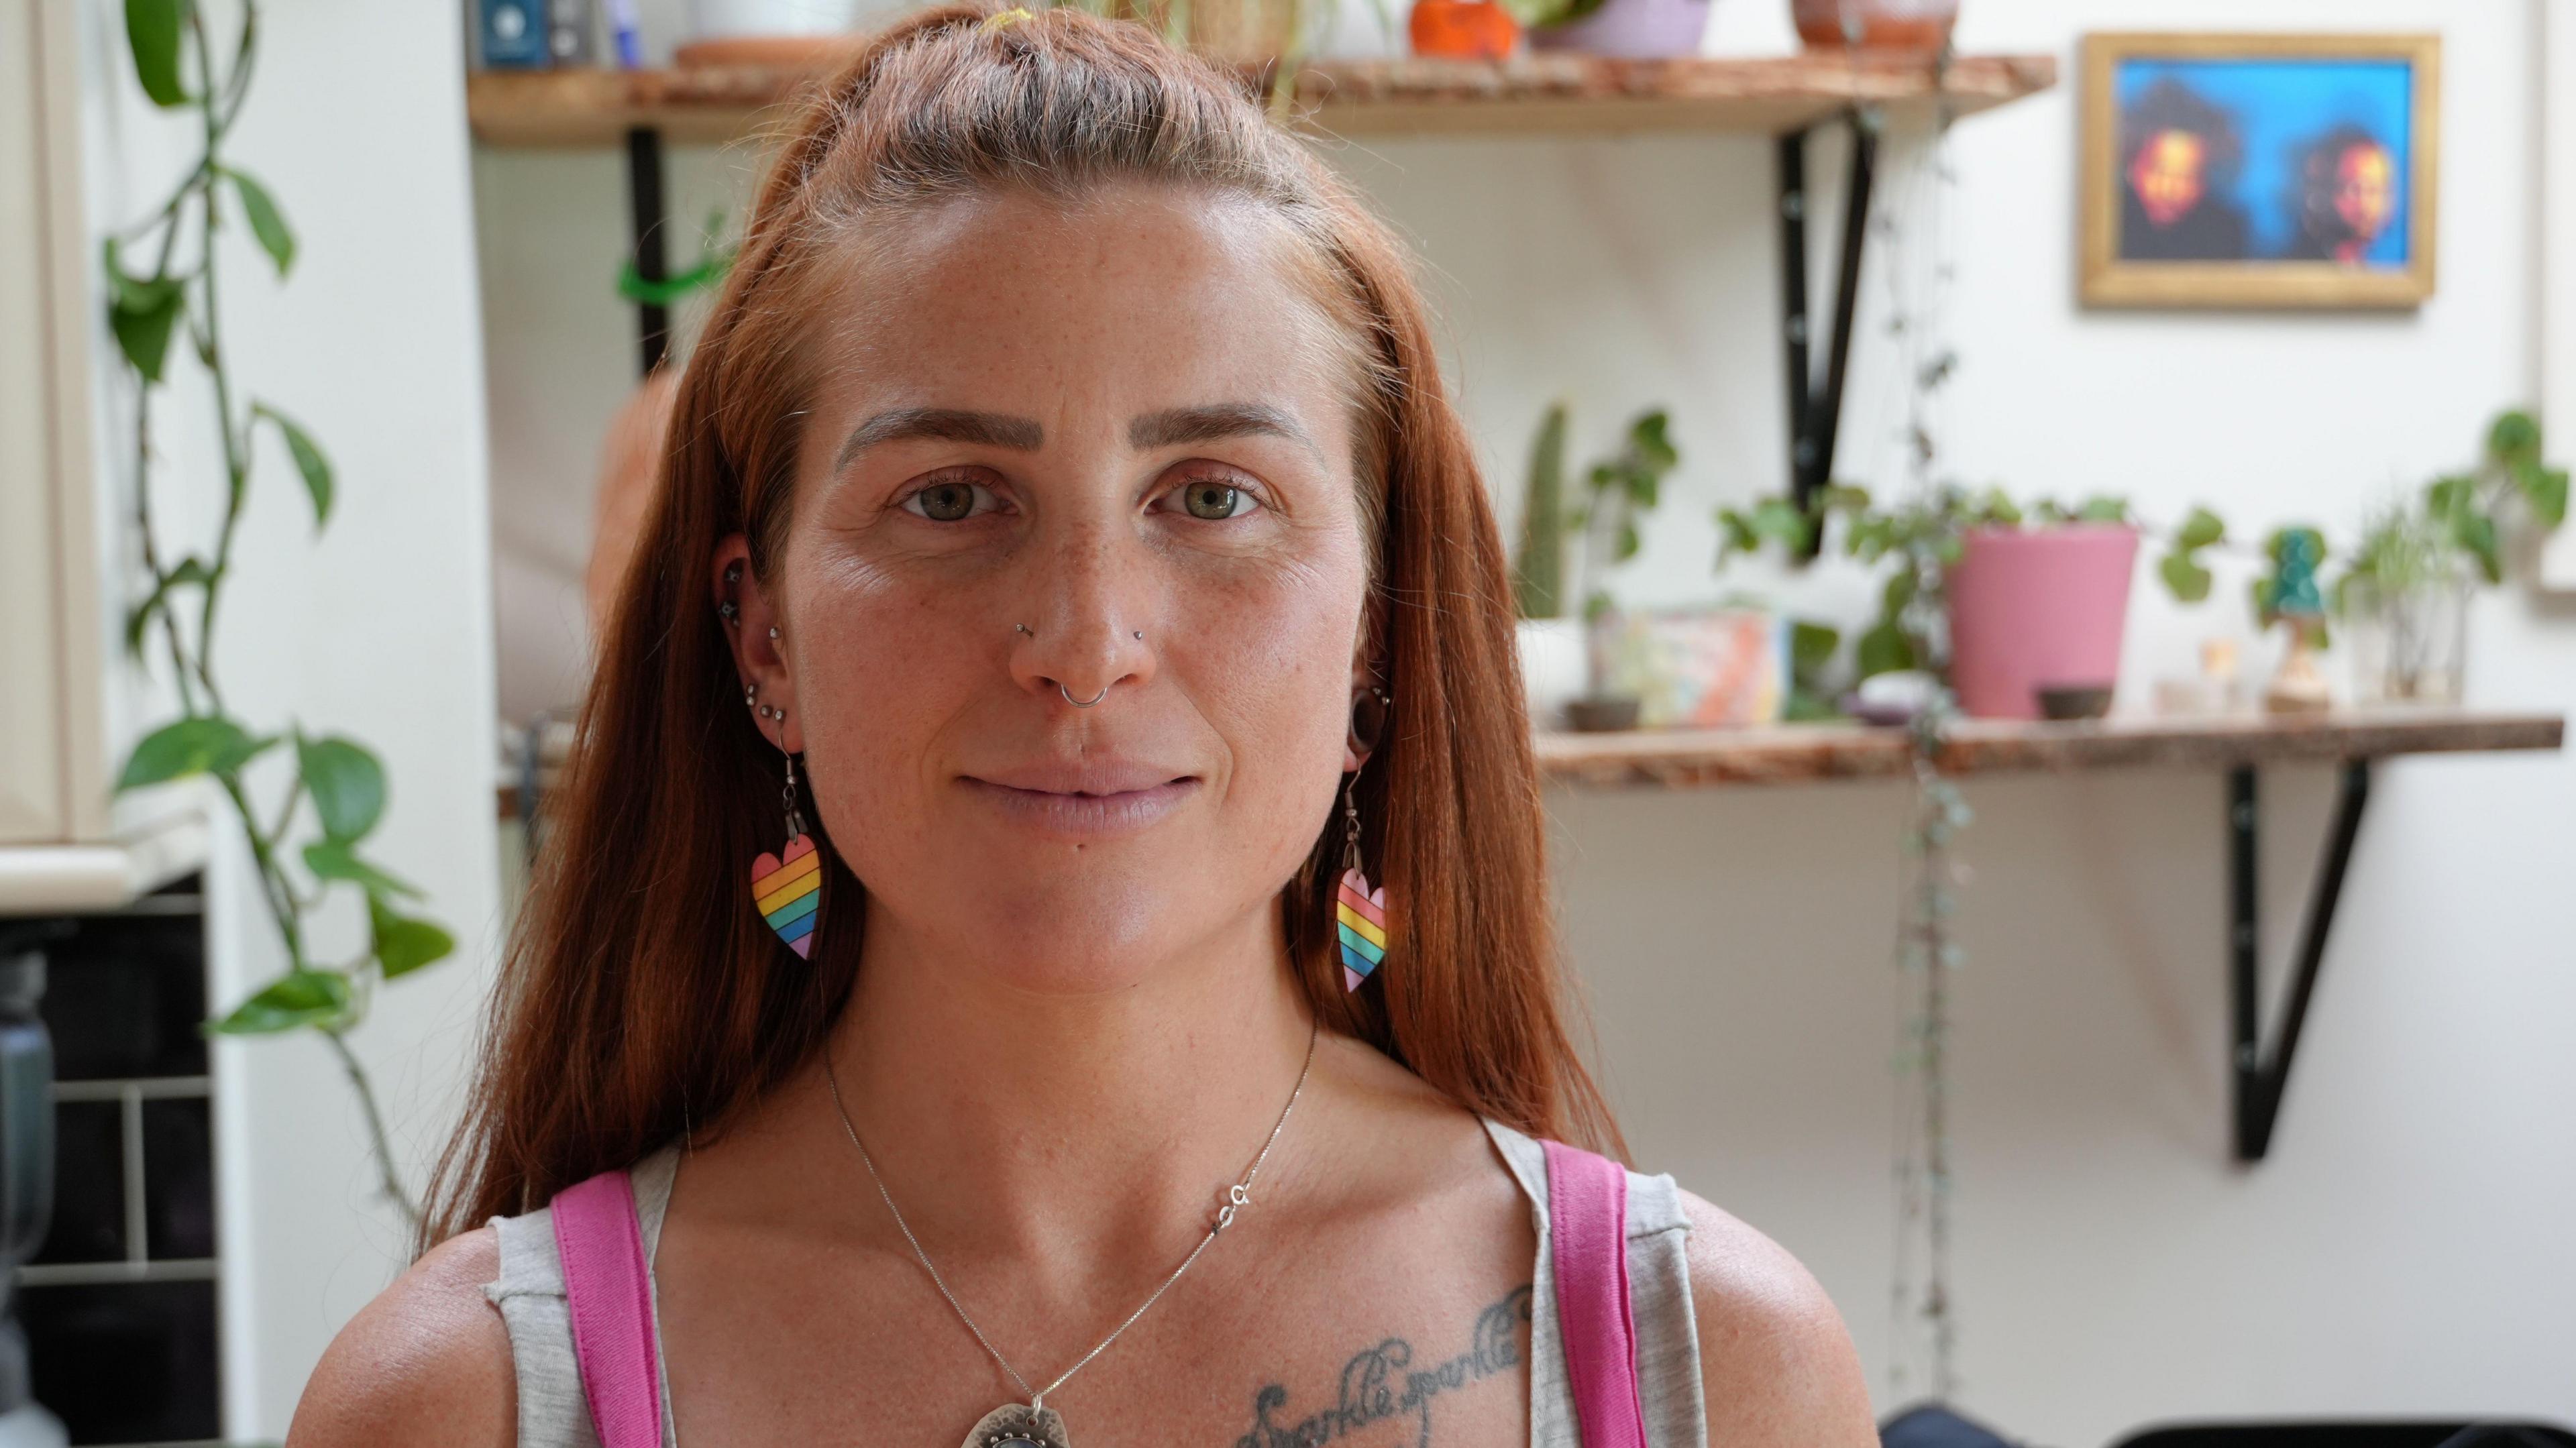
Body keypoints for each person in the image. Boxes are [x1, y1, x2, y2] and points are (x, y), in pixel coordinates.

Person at [286, 8, 1877, 1445]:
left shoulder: (1705, 1373)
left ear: (1376, 645)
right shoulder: (457, 1402)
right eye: (951, 498)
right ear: (760, 635)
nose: (1085, 643)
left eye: (1210, 497)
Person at [2116, 75, 2251, 262]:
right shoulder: (2107, 220)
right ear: (2131, 166)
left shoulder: (2225, 230)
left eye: (2188, 177)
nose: (2170, 189)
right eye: (2158, 171)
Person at [2283, 123, 2398, 265]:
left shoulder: (2371, 268)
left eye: (2379, 190)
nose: (2368, 205)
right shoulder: (2296, 266)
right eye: (2354, 189)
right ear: (2322, 191)